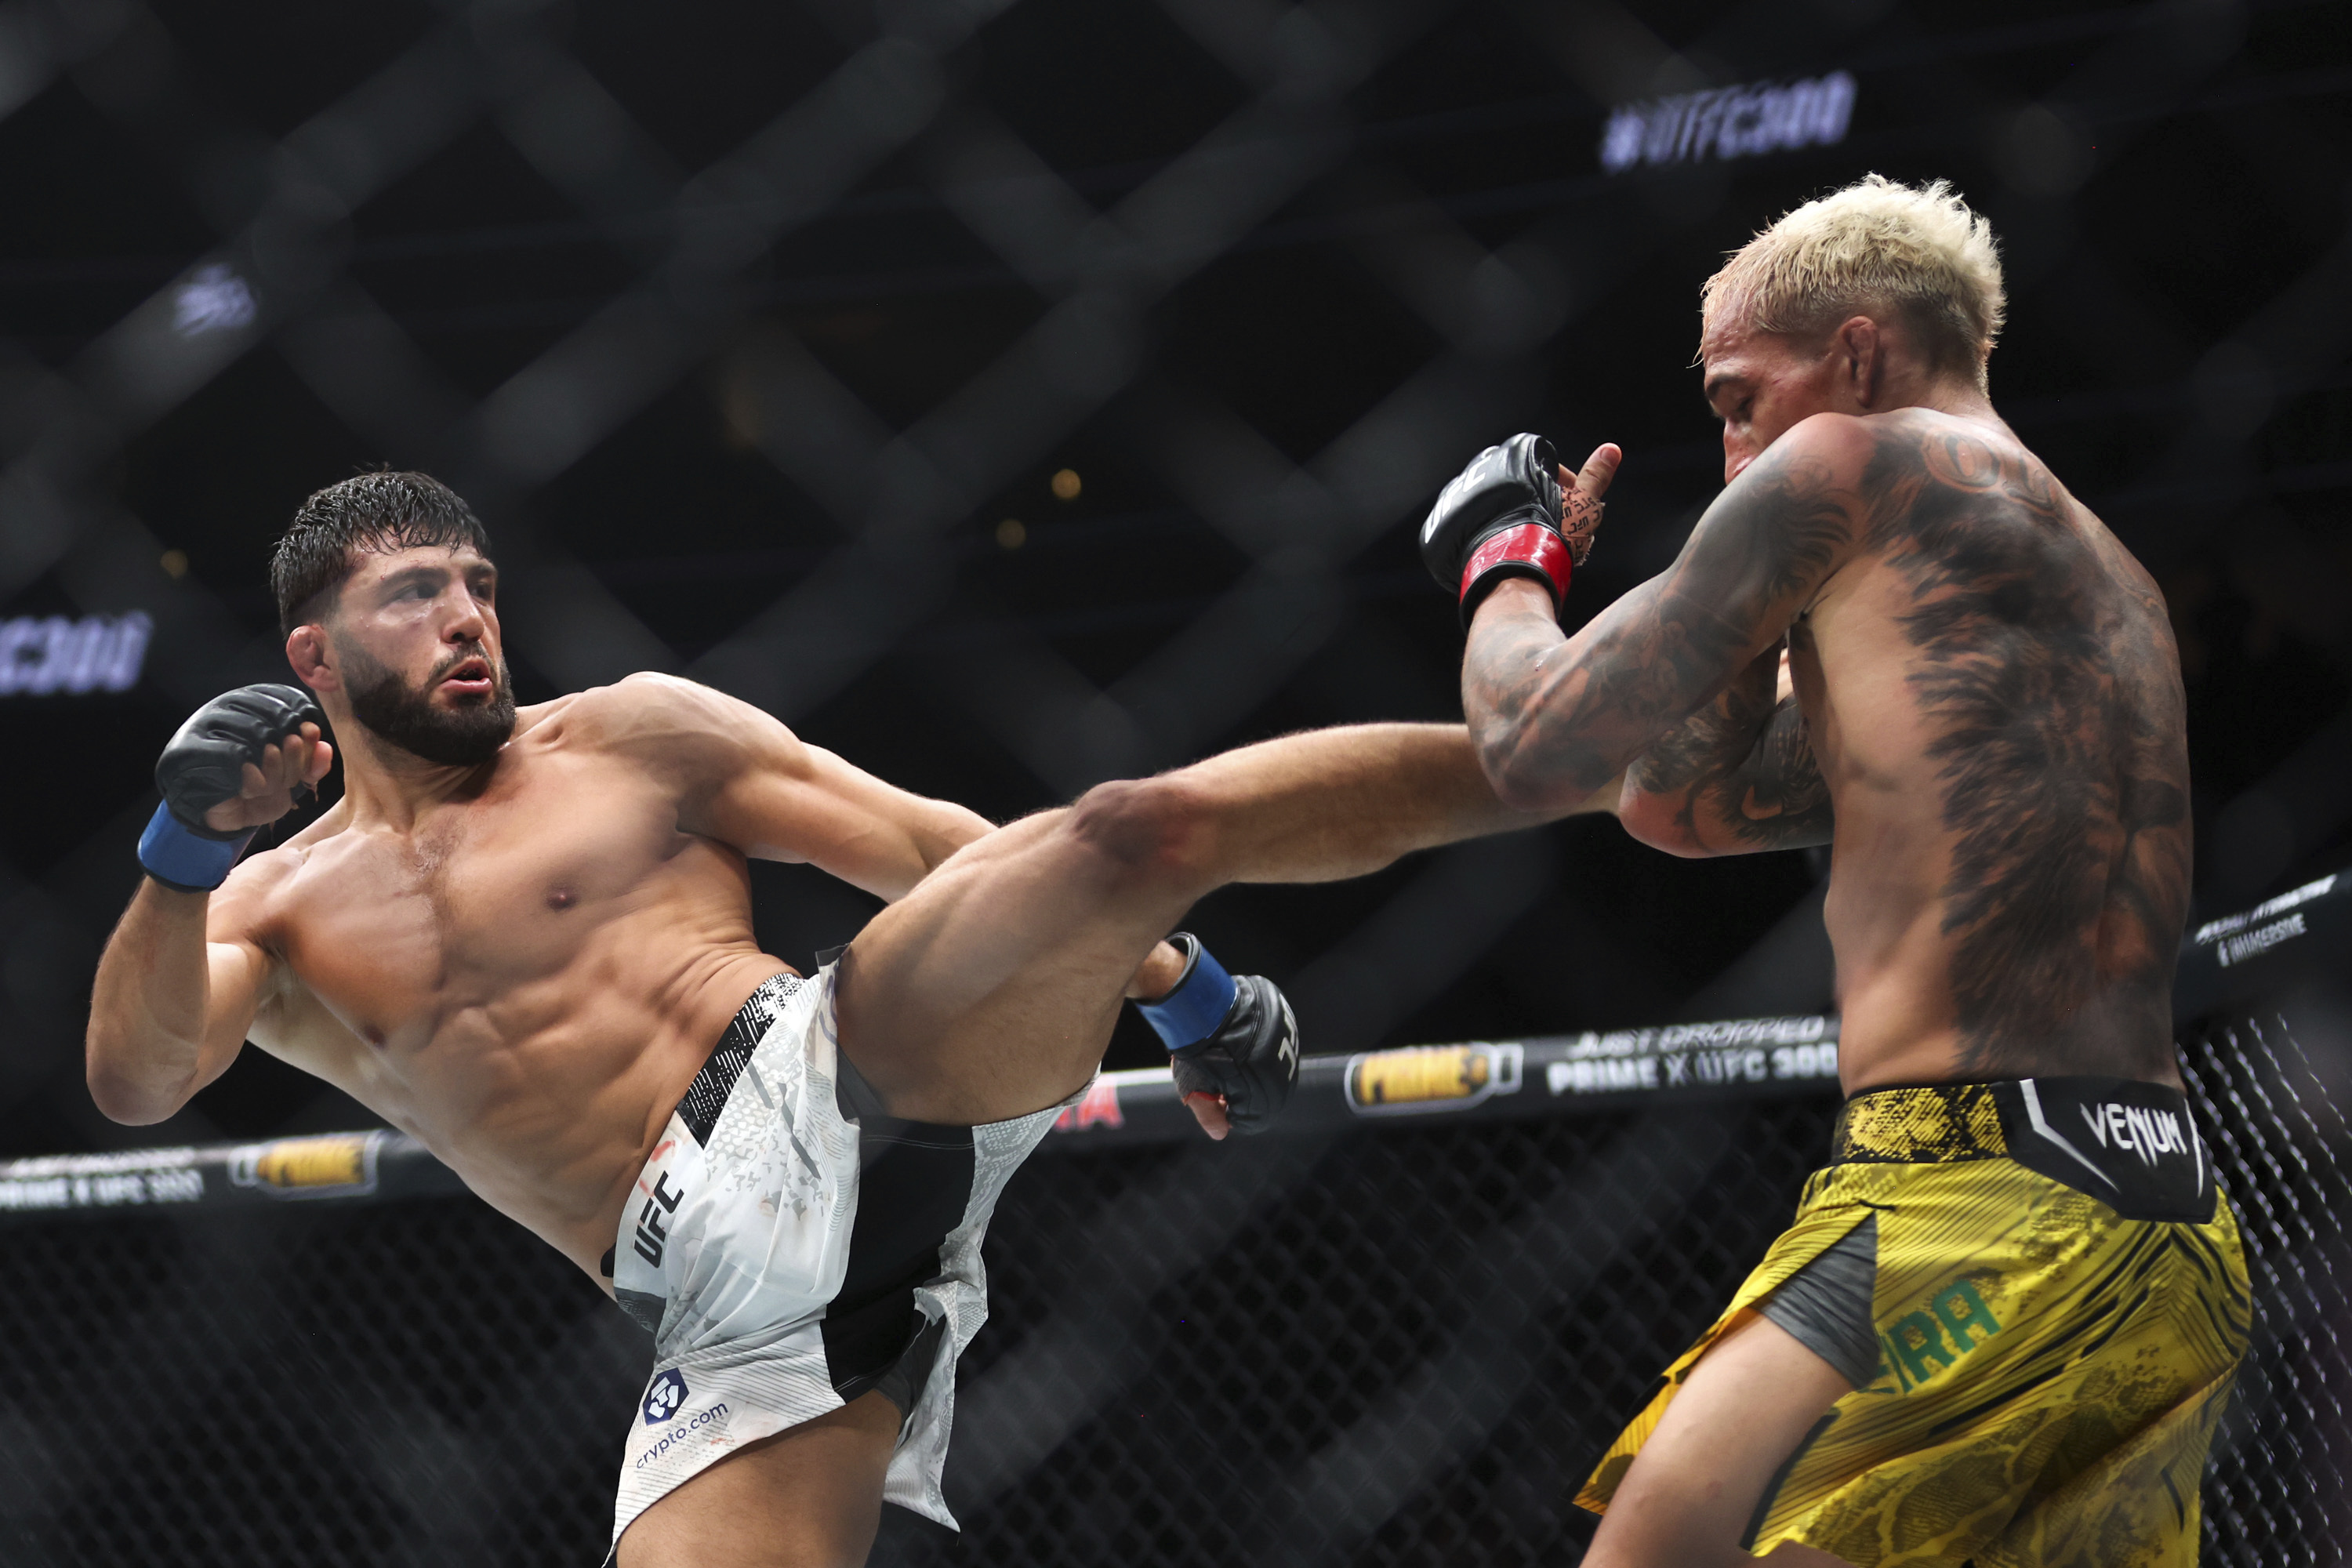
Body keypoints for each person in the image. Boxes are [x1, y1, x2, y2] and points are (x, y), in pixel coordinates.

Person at [86, 472, 1602, 1567]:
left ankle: (1592, 752)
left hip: (826, 1071)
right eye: (414, 595)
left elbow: (922, 841)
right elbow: (140, 1077)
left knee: (1123, 834)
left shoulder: (629, 735)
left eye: (479, 584)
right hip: (711, 1307)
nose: (467, 618)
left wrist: (1183, 992)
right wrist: (178, 856)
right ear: (313, 659)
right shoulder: (264, 908)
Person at [1417, 175, 2248, 1566]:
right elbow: (1682, 807)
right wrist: (1745, 637)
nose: (1737, 453)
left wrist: (1506, 563)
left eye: (1742, 401)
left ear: (1857, 355)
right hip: (2169, 1223)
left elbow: (1537, 743)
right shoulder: (2110, 584)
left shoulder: (1849, 469)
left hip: (1963, 1200)